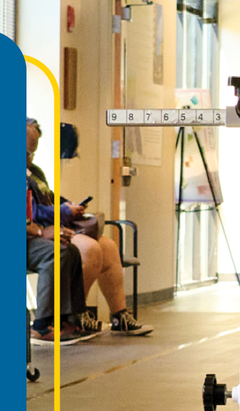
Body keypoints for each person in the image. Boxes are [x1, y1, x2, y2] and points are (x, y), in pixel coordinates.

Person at [27, 118, 150, 340]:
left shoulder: (34, 171)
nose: (30, 158)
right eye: (28, 152)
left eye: (33, 153)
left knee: (109, 246)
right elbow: (33, 213)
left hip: (53, 226)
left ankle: (119, 315)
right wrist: (63, 212)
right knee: (89, 249)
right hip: (42, 229)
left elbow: (49, 199)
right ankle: (72, 315)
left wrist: (69, 206)